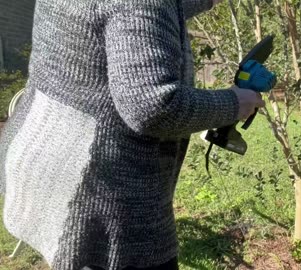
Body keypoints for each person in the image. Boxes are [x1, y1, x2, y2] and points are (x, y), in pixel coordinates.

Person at [0, 0, 267, 269]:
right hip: (100, 189)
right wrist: (235, 103)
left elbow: (129, 15)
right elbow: (153, 107)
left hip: (50, 157)